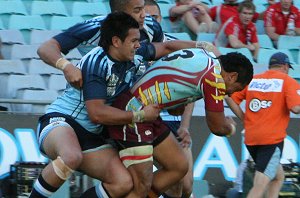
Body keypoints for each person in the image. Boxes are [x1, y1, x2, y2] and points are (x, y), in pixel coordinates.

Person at [30, 11, 205, 198]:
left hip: (93, 134)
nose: (139, 45)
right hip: (63, 121)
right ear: (116, 42)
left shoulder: (133, 53)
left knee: (123, 183)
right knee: (71, 156)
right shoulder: (97, 63)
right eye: (133, 41)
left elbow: (167, 47)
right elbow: (96, 113)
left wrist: (203, 46)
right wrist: (140, 116)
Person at [108, 49, 254, 197]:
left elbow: (175, 107)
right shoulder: (215, 78)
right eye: (236, 89)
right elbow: (217, 127)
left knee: (178, 167)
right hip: (135, 112)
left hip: (149, 113)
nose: (230, 94)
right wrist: (230, 128)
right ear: (232, 76)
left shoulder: (204, 55)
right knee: (142, 184)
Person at [37, 0, 167, 89]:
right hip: (96, 94)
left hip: (133, 94)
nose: (144, 15)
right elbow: (46, 48)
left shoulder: (150, 25)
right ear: (118, 15)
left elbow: (162, 55)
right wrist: (67, 67)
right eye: (137, 10)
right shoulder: (94, 28)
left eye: (143, 8)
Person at [226, 52, 300, 198]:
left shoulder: (254, 80)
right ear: (285, 66)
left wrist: (243, 118)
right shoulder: (288, 81)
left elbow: (230, 98)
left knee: (278, 177)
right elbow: (296, 109)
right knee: (259, 186)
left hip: (251, 139)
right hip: (271, 141)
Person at [145, 1, 194, 197]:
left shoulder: (177, 48)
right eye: (146, 17)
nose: (150, 22)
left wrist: (185, 126)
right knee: (168, 179)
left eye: (154, 17)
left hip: (174, 122)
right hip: (144, 121)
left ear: (160, 19)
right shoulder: (130, 48)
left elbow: (191, 89)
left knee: (187, 185)